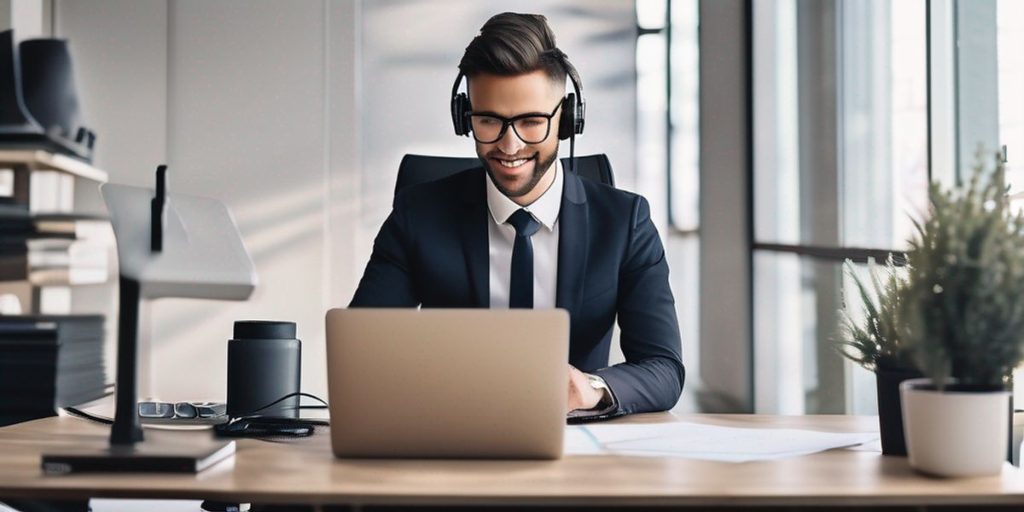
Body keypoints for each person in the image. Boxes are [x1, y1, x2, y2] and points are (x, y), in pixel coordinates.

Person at [350, 12, 683, 419]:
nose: (510, 145)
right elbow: (362, 352)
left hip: (576, 444)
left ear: (565, 120)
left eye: (531, 122)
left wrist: (591, 388)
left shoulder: (625, 222)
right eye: (489, 120)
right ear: (464, 118)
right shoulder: (417, 216)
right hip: (453, 431)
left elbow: (664, 369)